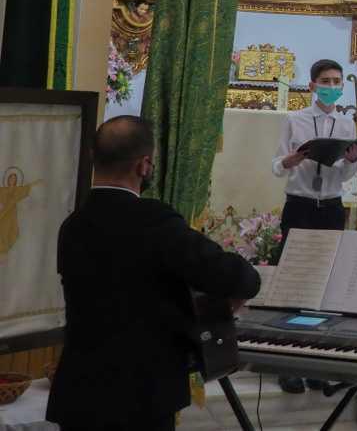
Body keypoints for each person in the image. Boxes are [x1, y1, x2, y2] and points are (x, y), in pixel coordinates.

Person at [47, 116, 261, 431]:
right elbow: (235, 277)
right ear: (144, 165)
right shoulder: (155, 221)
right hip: (142, 395)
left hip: (80, 392)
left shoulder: (72, 225)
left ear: (94, 157)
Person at [271, 57, 357, 394]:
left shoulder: (346, 124)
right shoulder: (295, 120)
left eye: (337, 81)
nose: (332, 86)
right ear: (312, 85)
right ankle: (286, 364)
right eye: (325, 81)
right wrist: (292, 159)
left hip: (331, 207)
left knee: (323, 285)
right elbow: (276, 166)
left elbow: (346, 174)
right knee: (294, 283)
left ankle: (314, 363)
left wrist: (352, 162)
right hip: (300, 205)